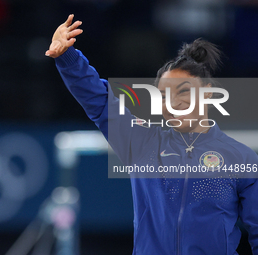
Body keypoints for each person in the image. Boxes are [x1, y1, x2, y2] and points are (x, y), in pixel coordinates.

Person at [46, 14, 258, 255]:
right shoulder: (142, 142)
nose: (174, 103)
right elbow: (99, 100)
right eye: (165, 96)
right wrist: (67, 57)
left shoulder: (240, 158)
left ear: (208, 93)